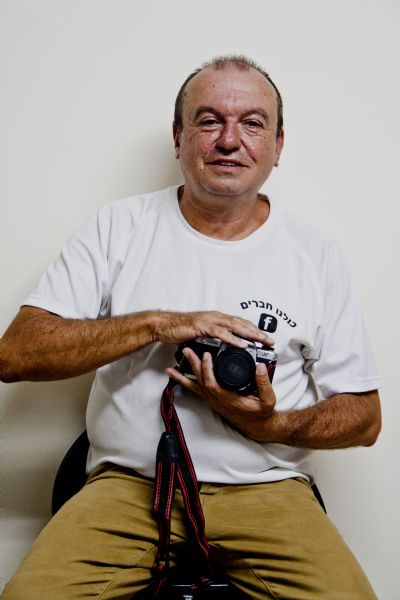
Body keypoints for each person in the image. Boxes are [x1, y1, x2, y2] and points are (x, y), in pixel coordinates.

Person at [0, 55, 381, 600]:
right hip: (131, 488)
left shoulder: (314, 252)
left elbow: (364, 418)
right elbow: (15, 355)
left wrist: (269, 424)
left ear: (277, 146)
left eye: (252, 123)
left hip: (266, 489)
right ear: (178, 138)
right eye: (209, 120)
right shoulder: (117, 227)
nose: (229, 140)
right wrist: (161, 324)